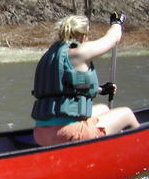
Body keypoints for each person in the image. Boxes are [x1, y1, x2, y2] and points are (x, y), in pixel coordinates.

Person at [31, 12, 140, 146]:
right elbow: (113, 39)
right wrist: (117, 23)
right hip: (69, 134)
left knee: (103, 109)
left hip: (41, 134)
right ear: (83, 36)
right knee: (127, 114)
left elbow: (66, 87)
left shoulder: (50, 55)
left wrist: (100, 89)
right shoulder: (79, 51)